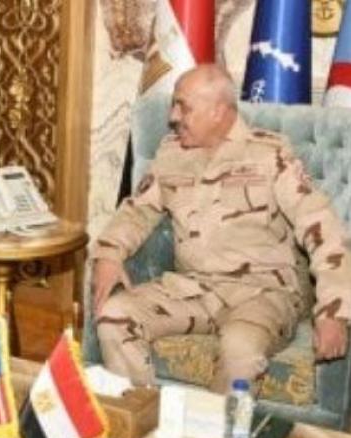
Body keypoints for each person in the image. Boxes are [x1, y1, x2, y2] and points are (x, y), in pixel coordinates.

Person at [92, 64, 351, 394]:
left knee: (241, 349)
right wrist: (110, 254)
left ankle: (214, 426)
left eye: (183, 106)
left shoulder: (269, 155)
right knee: (114, 315)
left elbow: (320, 225)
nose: (173, 116)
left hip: (263, 293)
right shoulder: (171, 154)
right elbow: (138, 210)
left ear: (217, 111)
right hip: (194, 290)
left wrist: (334, 310)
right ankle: (143, 414)